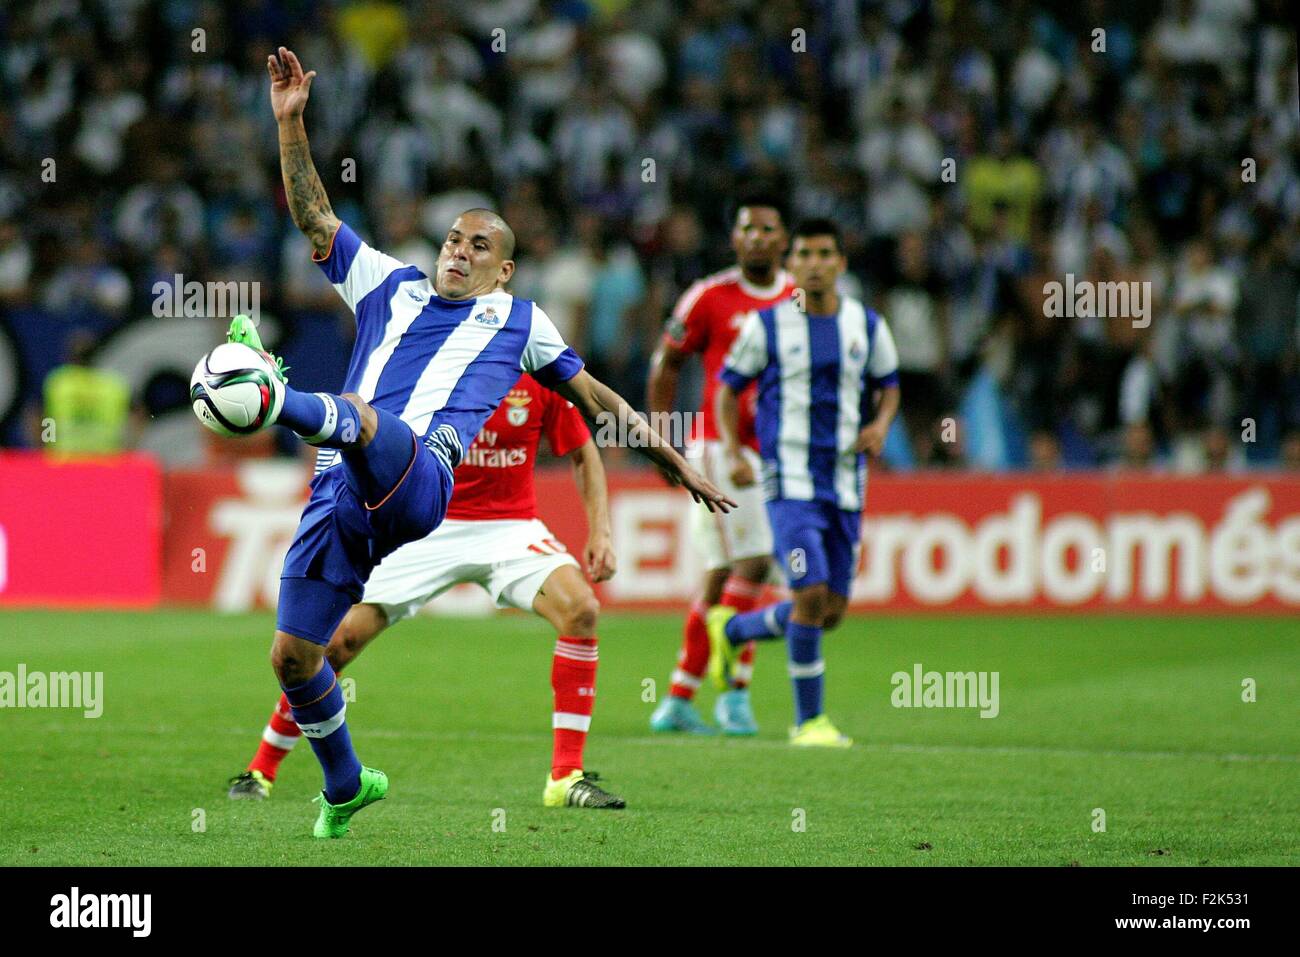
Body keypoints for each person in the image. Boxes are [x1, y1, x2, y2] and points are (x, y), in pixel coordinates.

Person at [228, 47, 731, 839]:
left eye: (479, 247)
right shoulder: (386, 285)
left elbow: (597, 403)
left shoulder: (522, 324)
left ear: (503, 271)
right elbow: (315, 218)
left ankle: (267, 392)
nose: (459, 251)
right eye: (454, 239)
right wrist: (291, 125)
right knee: (297, 656)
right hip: (341, 495)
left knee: (361, 418)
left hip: (424, 480)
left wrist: (671, 458)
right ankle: (346, 783)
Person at [228, 374, 626, 808]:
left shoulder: (535, 364)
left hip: (507, 527)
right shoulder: (431, 357)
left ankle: (566, 777)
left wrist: (601, 532)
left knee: (581, 608)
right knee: (334, 643)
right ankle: (261, 769)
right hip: (424, 527)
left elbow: (583, 451)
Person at [709, 218, 900, 747]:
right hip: (788, 483)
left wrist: (880, 426)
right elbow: (728, 390)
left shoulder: (867, 324)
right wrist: (732, 450)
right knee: (809, 592)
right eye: (805, 255)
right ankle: (808, 722)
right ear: (791, 264)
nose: (815, 264)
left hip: (845, 484)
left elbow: (889, 384)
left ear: (840, 262)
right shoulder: (766, 326)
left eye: (825, 254)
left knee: (829, 612)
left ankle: (733, 630)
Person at [645, 190, 795, 736]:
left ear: (784, 240)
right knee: (755, 562)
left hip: (778, 453)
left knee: (720, 577)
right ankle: (734, 693)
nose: (756, 238)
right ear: (734, 238)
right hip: (720, 449)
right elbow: (666, 364)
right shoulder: (709, 297)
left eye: (766, 229)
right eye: (746, 229)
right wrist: (661, 441)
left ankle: (680, 695)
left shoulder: (800, 298)